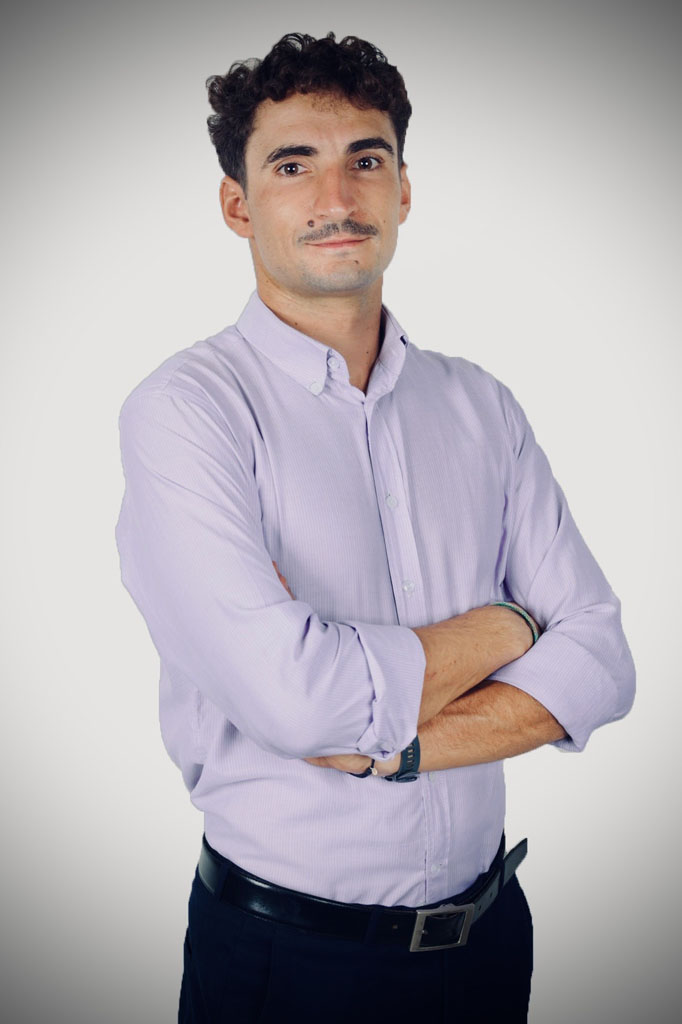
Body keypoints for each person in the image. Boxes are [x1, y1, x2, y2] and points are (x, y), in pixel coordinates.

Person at [114, 31, 635, 1023]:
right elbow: (297, 699)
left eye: (366, 159)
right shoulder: (186, 413)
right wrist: (512, 627)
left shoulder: (480, 406)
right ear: (237, 205)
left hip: (490, 941)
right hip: (288, 961)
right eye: (291, 165)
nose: (337, 196)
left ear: (403, 190)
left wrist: (392, 746)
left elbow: (603, 664)